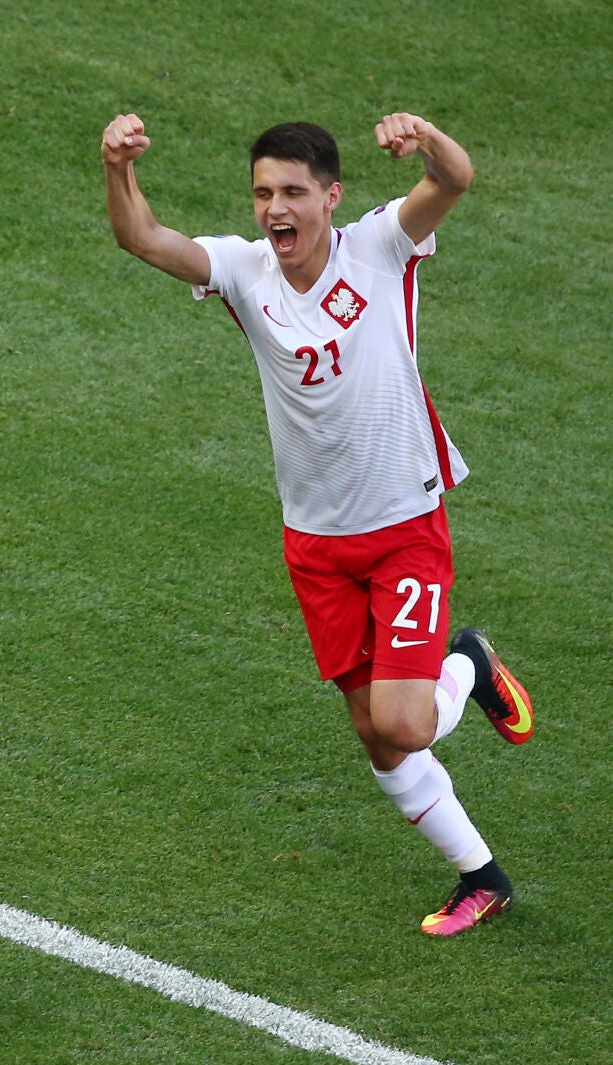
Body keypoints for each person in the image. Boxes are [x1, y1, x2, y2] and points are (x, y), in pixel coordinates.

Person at [101, 113, 535, 935]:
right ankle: (482, 875)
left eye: (293, 191)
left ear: (332, 196)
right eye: (264, 192)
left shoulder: (378, 246)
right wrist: (116, 166)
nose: (275, 208)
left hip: (404, 520)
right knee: (378, 738)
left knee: (406, 720)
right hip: (315, 543)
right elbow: (144, 237)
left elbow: (455, 179)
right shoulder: (242, 269)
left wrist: (430, 137)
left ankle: (469, 666)